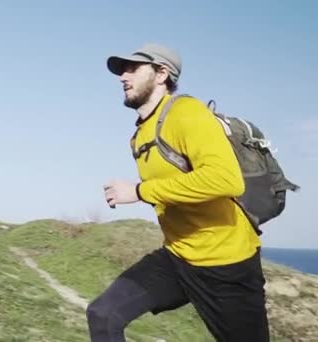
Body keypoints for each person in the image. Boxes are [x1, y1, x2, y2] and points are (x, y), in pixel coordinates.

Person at [86, 43, 270, 342]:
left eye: (133, 68)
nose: (123, 76)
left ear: (161, 74)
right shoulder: (139, 135)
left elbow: (226, 180)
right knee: (103, 314)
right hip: (178, 257)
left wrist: (140, 191)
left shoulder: (187, 112)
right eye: (122, 70)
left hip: (228, 264)